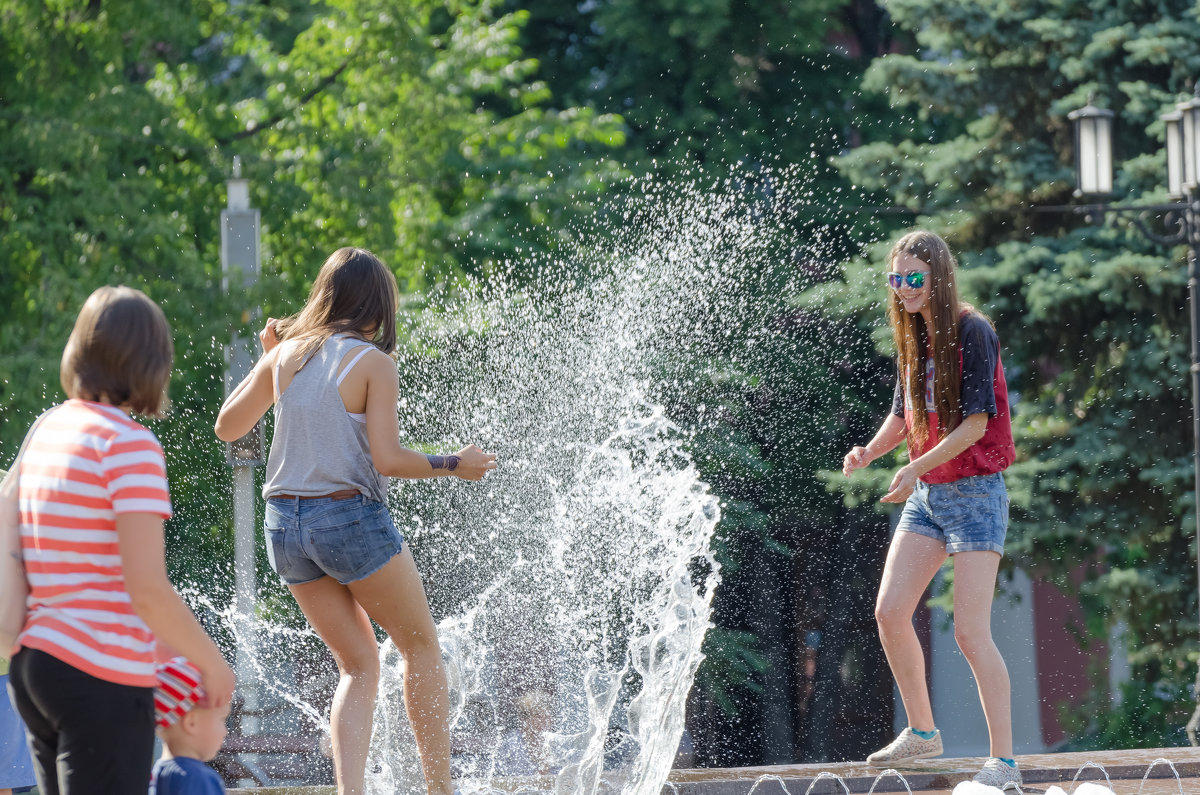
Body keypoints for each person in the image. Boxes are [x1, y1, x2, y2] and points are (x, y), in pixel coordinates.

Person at [214, 247, 497, 795]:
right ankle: (441, 789)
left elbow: (228, 426)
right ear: (378, 306)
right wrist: (453, 464)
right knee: (420, 646)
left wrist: (269, 358)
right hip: (345, 518)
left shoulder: (287, 356)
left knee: (358, 666)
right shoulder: (372, 363)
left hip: (283, 529)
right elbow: (389, 459)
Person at [7, 286, 236, 794]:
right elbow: (147, 588)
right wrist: (210, 663)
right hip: (99, 675)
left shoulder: (51, 430)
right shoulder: (128, 445)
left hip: (37, 666)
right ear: (152, 363)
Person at [841, 231, 1019, 789]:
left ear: (938, 277)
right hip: (930, 498)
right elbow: (904, 415)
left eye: (914, 279)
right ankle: (923, 733)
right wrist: (871, 451)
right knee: (890, 612)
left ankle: (1005, 765)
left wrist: (914, 467)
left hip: (976, 496)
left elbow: (975, 424)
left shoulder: (973, 330)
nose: (904, 289)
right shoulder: (913, 335)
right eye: (896, 280)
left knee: (970, 632)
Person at [151, 656, 230, 795]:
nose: (226, 732)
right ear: (191, 723)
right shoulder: (198, 779)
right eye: (221, 720)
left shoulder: (157, 773)